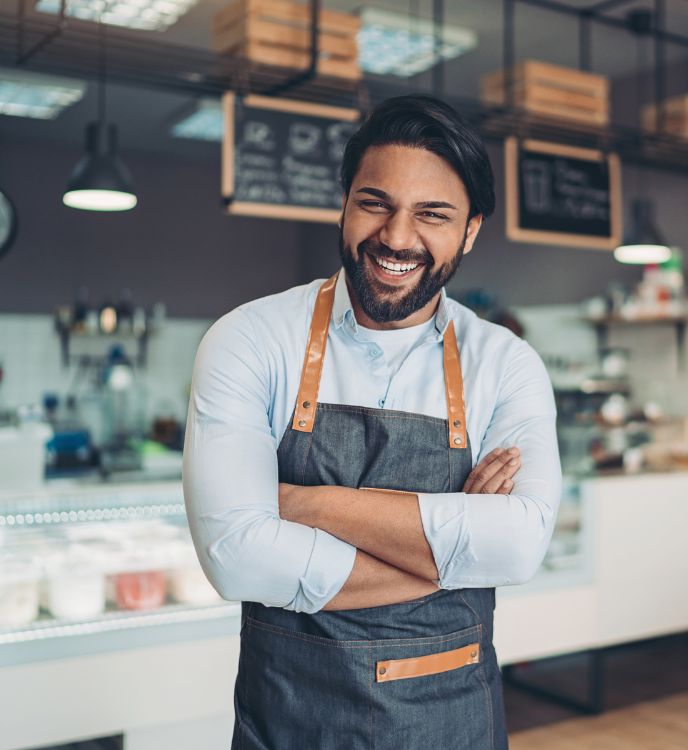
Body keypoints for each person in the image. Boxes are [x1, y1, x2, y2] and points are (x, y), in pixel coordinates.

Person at [182, 95, 562, 750]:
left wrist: (305, 504)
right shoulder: (250, 338)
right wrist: (452, 549)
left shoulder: (506, 364)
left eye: (432, 214)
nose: (395, 236)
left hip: (453, 724)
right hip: (293, 723)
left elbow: (519, 547)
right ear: (345, 201)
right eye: (375, 203)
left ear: (470, 230)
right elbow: (238, 561)